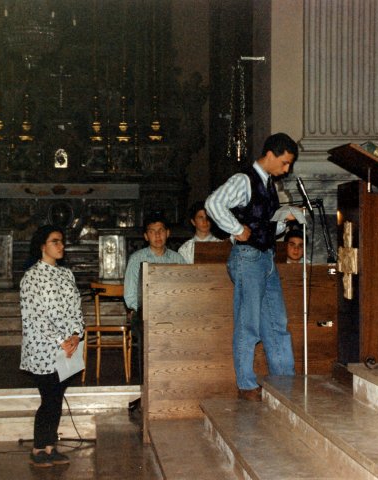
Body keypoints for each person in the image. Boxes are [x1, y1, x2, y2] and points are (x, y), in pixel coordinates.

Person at [205, 132, 298, 402]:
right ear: (270, 155)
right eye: (284, 163)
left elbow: (263, 224)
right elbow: (214, 204)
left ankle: (284, 383)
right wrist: (235, 229)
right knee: (249, 325)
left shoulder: (269, 184)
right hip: (247, 257)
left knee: (276, 323)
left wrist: (285, 220)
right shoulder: (243, 179)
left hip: (266, 258)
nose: (287, 169)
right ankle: (246, 385)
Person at [20, 225, 84, 468]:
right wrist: (61, 341)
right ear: (42, 246)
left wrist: (76, 335)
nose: (61, 245)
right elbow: (35, 316)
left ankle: (50, 447)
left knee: (57, 398)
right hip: (44, 349)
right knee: (49, 398)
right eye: (55, 241)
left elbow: (76, 308)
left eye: (62, 241)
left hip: (70, 347)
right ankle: (38, 448)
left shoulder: (67, 275)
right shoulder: (32, 277)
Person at [124, 211, 186, 314]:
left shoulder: (178, 259)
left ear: (167, 233)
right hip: (146, 313)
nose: (157, 235)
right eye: (152, 232)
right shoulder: (136, 259)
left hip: (174, 312)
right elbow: (130, 296)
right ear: (146, 236)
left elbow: (185, 290)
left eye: (161, 231)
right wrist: (146, 310)